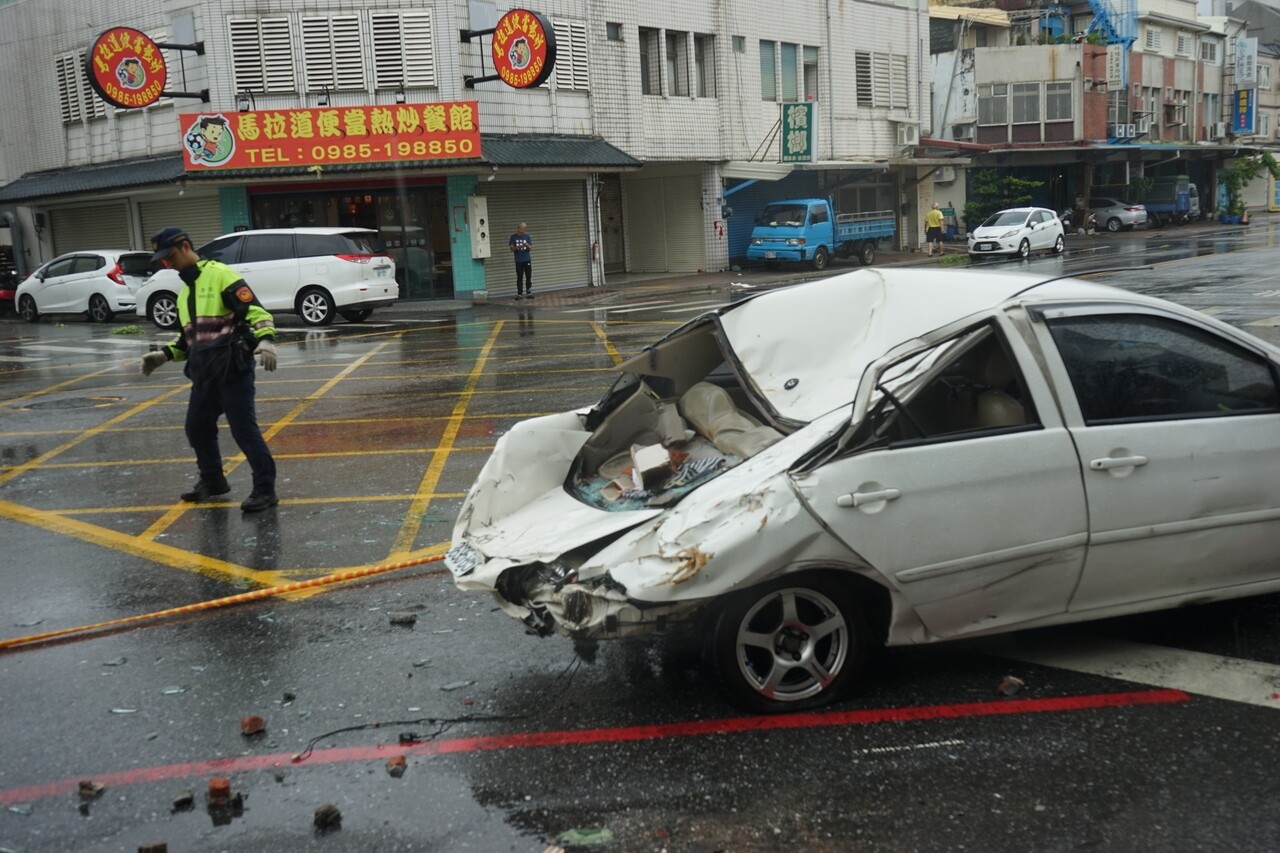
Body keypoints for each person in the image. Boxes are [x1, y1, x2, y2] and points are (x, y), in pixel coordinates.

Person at [139, 226, 280, 513]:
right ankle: (213, 481)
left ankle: (265, 490)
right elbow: (189, 339)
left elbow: (256, 312)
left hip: (231, 369)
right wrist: (163, 356)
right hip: (204, 373)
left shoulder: (220, 274)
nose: (168, 264)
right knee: (197, 427)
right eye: (163, 260)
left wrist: (266, 341)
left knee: (244, 431)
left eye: (171, 256)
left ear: (187, 246)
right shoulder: (183, 294)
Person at [509, 222, 533, 299]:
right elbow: (511, 249)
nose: (522, 230)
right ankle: (519, 293)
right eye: (521, 229)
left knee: (528, 276)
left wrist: (527, 246)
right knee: (519, 277)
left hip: (527, 259)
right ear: (518, 228)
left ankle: (529, 292)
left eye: (524, 229)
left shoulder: (527, 236)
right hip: (519, 260)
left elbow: (530, 248)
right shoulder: (513, 237)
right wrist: (519, 247)